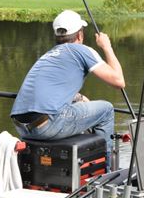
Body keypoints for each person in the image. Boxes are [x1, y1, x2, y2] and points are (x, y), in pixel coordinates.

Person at [10, 10, 126, 171]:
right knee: (106, 110)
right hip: (48, 125)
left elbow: (51, 90)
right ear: (80, 35)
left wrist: (77, 98)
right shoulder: (83, 50)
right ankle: (103, 171)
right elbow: (119, 82)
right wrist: (107, 47)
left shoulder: (48, 55)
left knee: (80, 108)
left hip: (22, 127)